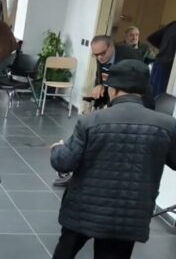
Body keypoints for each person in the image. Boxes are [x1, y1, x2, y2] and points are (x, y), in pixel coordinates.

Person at [36, 60, 176, 259]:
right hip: (130, 211)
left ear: (114, 90)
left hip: (85, 204)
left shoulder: (91, 121)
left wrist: (57, 149)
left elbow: (67, 160)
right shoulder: (165, 124)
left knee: (67, 247)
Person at [54, 35, 152, 187]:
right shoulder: (102, 56)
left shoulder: (129, 57)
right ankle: (77, 172)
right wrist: (100, 85)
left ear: (112, 46)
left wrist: (110, 94)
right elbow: (102, 74)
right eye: (95, 55)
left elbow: (133, 84)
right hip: (115, 101)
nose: (99, 58)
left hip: (136, 105)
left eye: (102, 53)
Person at [148, 19, 176, 96]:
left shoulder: (174, 24)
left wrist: (163, 48)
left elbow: (152, 38)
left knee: (153, 97)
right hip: (169, 67)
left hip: (159, 63)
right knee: (160, 99)